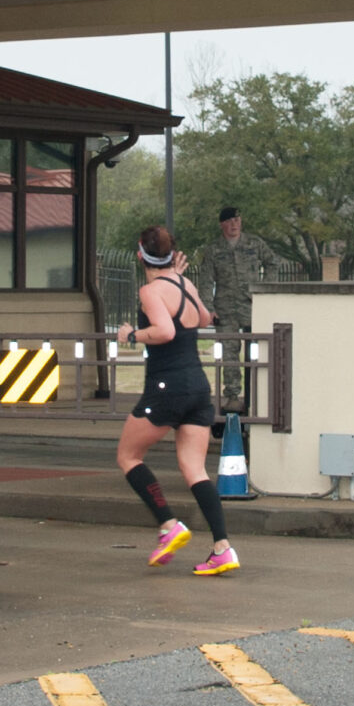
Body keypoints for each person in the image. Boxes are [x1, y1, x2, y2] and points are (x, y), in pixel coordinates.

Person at [113, 224, 238, 576]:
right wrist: (180, 281)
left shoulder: (151, 291)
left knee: (128, 455)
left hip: (167, 388)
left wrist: (132, 334)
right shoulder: (186, 284)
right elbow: (204, 318)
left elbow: (165, 331)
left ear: (140, 254)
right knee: (195, 469)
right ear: (171, 255)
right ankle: (222, 548)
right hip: (198, 386)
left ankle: (169, 525)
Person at [204, 205, 260, 408]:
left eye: (237, 220)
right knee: (229, 352)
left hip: (251, 305)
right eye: (229, 221)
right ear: (222, 225)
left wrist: (264, 289)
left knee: (256, 351)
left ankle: (257, 394)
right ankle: (233, 396)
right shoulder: (214, 250)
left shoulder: (254, 243)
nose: (234, 224)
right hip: (225, 308)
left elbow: (273, 262)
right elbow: (206, 280)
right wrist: (208, 307)